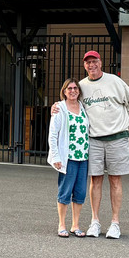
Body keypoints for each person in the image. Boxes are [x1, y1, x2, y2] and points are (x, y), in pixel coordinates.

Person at [53, 50, 129, 239]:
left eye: (94, 61)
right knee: (95, 180)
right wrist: (56, 106)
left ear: (101, 63)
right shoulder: (82, 86)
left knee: (115, 179)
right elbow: (72, 102)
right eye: (88, 63)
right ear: (85, 66)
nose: (91, 65)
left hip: (117, 138)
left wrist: (124, 122)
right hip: (94, 140)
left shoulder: (114, 81)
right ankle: (95, 221)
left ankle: (115, 223)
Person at [47, 78, 88, 238]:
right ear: (64, 91)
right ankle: (62, 224)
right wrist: (56, 156)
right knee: (65, 192)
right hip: (67, 158)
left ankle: (75, 225)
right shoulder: (59, 108)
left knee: (80, 192)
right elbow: (53, 135)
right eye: (69, 88)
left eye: (75, 88)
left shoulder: (83, 107)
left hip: (83, 157)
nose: (73, 91)